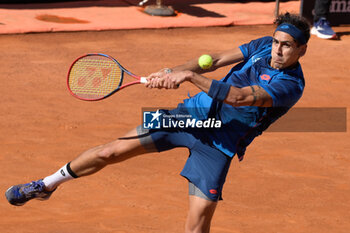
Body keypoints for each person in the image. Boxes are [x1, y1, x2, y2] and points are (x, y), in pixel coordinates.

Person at [5, 12, 310, 233]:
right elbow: (214, 60)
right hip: (187, 114)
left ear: (301, 50)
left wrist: (189, 76)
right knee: (109, 151)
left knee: (197, 224)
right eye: (276, 42)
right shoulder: (261, 46)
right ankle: (45, 185)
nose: (277, 50)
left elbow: (241, 97)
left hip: (220, 142)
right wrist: (170, 72)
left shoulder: (291, 85)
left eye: (286, 46)